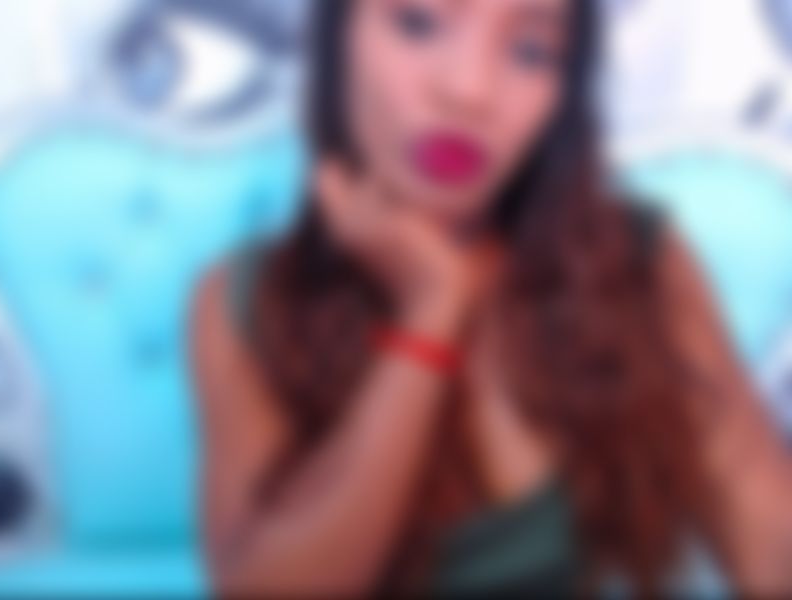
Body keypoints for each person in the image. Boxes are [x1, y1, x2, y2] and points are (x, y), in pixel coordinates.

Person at [191, 0, 792, 595]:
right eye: (418, 23)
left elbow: (769, 546)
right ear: (336, 39)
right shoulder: (248, 299)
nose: (470, 92)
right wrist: (428, 315)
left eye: (530, 51)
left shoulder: (631, 264)